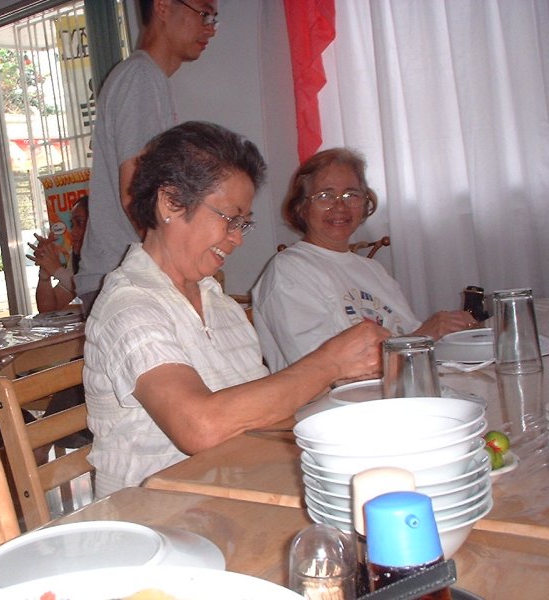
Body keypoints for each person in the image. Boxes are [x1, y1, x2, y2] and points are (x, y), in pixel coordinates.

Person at [84, 122, 389, 498]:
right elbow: (200, 426)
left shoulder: (216, 300)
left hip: (227, 494)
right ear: (170, 203)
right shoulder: (128, 305)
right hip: (154, 518)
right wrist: (330, 363)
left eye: (243, 223)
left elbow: (265, 413)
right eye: (230, 219)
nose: (238, 238)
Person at [252, 147, 479, 372]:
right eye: (325, 196)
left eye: (351, 195)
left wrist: (453, 333)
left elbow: (414, 340)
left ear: (365, 204)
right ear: (302, 207)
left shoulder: (373, 270)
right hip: (336, 405)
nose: (340, 206)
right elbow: (321, 371)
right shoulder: (288, 270)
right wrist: (424, 335)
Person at [75, 0, 219, 313]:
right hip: (126, 282)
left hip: (133, 278)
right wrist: (182, 269)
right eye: (204, 13)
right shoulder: (140, 78)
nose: (210, 28)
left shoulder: (149, 79)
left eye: (214, 18)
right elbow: (135, 196)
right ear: (164, 6)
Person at [28, 195, 89, 313]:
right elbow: (47, 311)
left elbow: (95, 294)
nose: (73, 233)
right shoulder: (78, 259)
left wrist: (57, 271)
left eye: (80, 223)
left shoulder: (114, 256)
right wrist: (45, 273)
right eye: (72, 225)